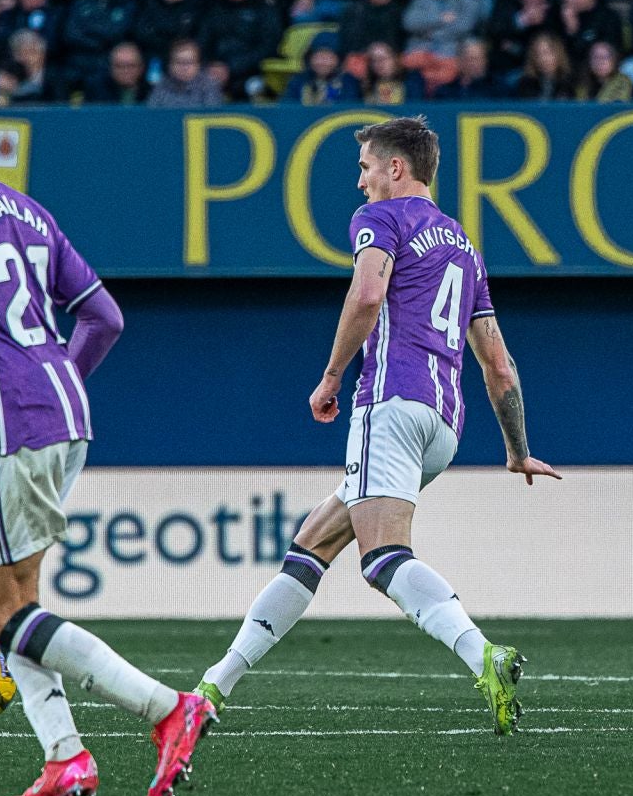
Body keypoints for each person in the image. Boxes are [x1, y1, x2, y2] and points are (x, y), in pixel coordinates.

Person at [0, 78, 215, 796]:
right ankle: (65, 757)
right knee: (20, 601)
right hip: (67, 410)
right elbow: (104, 316)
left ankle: (167, 708)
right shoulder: (27, 209)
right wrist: (58, 377)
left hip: (7, 420)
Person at [193, 117, 556, 731]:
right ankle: (214, 685)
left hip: (389, 402)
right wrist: (517, 449)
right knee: (312, 544)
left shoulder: (382, 219)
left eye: (365, 168)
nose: (359, 183)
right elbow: (498, 362)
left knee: (382, 557)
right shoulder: (465, 248)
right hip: (442, 427)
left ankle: (482, 654)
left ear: (395, 168)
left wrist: (333, 375)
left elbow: (365, 296)